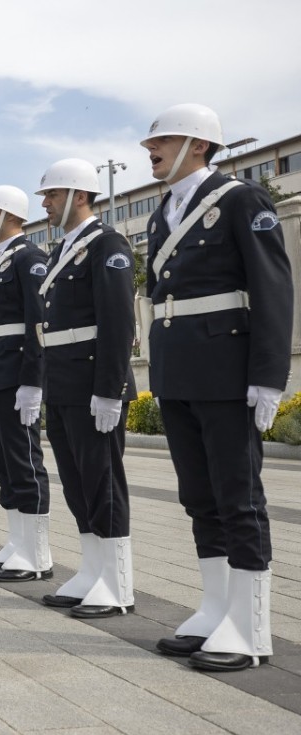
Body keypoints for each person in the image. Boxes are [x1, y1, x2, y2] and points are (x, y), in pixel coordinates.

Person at [140, 105, 293, 671]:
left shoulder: (240, 200)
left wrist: (267, 377)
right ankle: (215, 608)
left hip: (227, 370)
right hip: (179, 370)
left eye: (163, 139)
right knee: (198, 497)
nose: (149, 149)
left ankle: (251, 628)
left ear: (200, 145)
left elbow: (273, 288)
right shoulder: (162, 214)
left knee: (238, 497)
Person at [34, 158, 137, 618]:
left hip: (94, 383)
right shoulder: (60, 252)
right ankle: (92, 570)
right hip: (63, 382)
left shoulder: (106, 244)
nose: (46, 203)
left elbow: (117, 320)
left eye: (52, 194)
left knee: (102, 483)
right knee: (76, 485)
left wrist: (110, 389)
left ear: (79, 195)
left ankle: (116, 583)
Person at [0, 187, 53, 581]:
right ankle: (17, 540)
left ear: (8, 214)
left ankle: (37, 552)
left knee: (24, 461)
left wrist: (33, 381)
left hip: (16, 371)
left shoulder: (29, 257)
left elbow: (38, 323)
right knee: (3, 462)